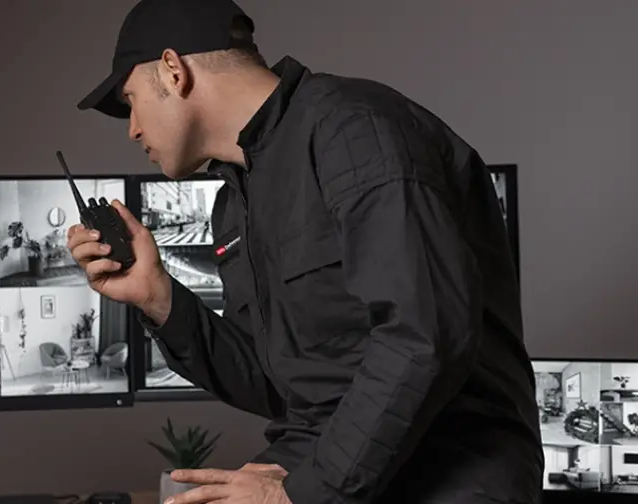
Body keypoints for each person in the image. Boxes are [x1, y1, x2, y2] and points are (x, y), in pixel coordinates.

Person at [67, 0, 544, 502]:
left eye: (132, 100)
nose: (133, 128)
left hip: (448, 474)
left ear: (173, 70)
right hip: (325, 469)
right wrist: (157, 297)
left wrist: (298, 494)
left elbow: (425, 336)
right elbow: (275, 386)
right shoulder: (235, 203)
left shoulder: (356, 130)